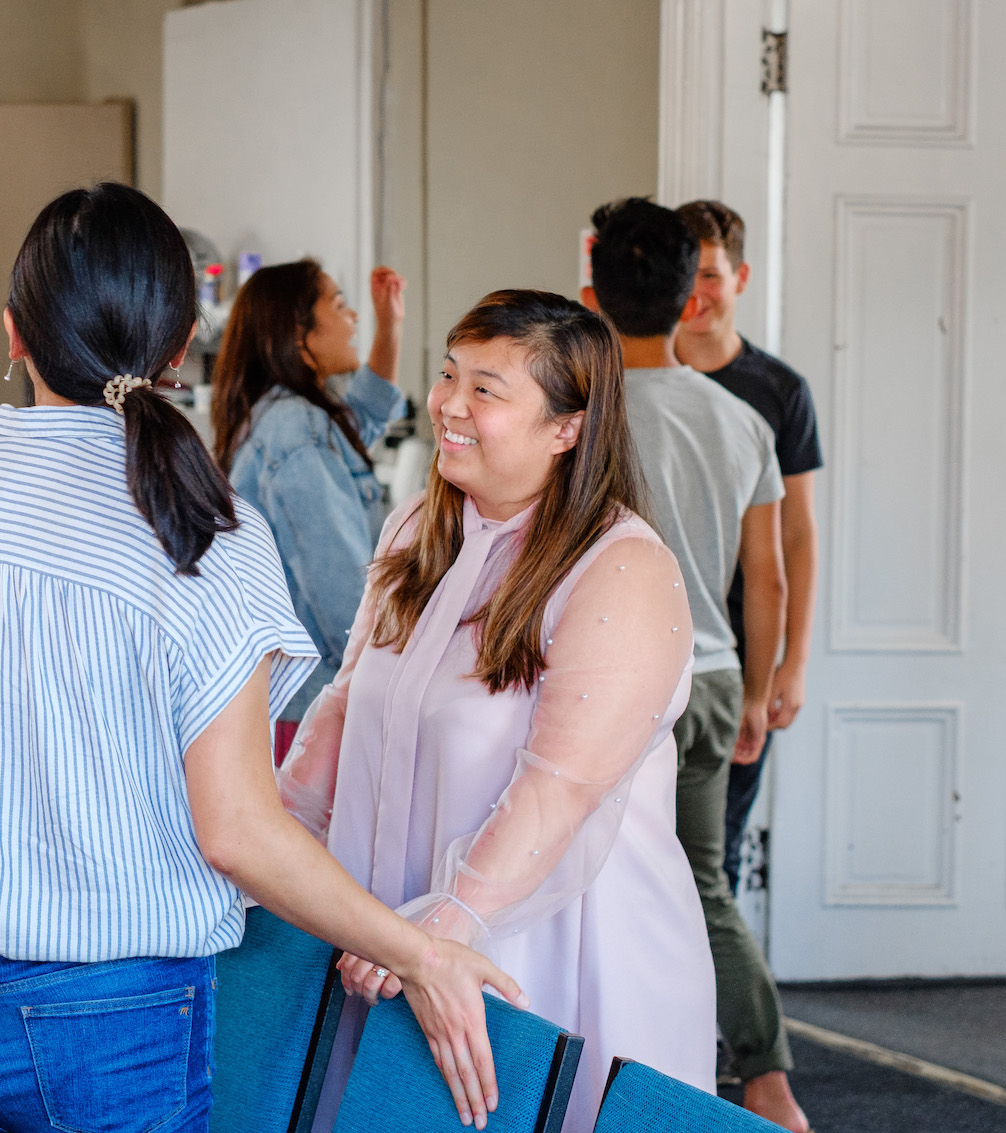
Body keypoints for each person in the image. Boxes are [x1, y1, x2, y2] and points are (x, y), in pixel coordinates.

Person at [0, 183, 518, 1133]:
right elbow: (235, 830)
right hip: (110, 1012)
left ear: (12, 333)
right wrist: (419, 951)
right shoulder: (203, 530)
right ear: (175, 349)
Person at [277, 288, 717, 1129]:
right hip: (392, 941)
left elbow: (561, 785)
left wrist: (447, 926)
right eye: (449, 374)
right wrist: (275, 846)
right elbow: (344, 705)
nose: (449, 403)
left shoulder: (619, 568)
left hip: (548, 951)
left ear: (568, 427)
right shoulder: (414, 529)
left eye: (488, 388)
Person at [583, 199, 806, 1132]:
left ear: (591, 289)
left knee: (594, 883)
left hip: (613, 682)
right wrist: (755, 691)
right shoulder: (739, 420)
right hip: (712, 677)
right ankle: (768, 1084)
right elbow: (769, 577)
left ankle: (613, 1076)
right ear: (690, 298)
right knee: (702, 885)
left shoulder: (581, 416)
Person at [674, 201, 821, 895]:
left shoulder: (779, 391)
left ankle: (715, 1007)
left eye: (712, 274)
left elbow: (797, 534)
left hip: (737, 658)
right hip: (647, 644)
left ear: (741, 277)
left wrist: (788, 664)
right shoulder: (634, 374)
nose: (697, 293)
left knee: (714, 862)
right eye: (688, 274)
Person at [214, 260, 408, 755]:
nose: (354, 320)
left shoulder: (288, 416)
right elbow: (339, 589)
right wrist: (393, 682)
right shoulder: (297, 430)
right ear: (300, 334)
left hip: (292, 702)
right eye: (340, 306)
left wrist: (391, 325)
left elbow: (365, 413)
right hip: (310, 707)